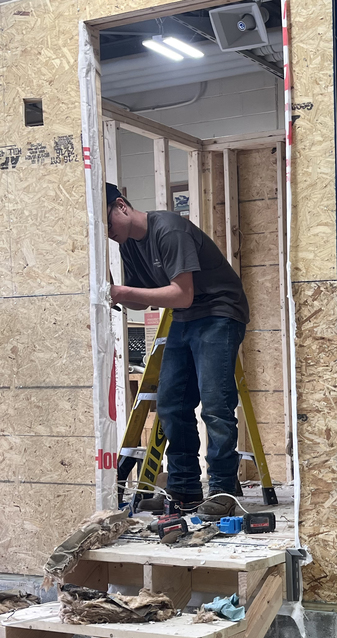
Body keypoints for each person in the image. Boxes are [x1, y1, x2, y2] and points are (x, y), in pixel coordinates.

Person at [106, 182, 250, 518]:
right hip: (186, 317)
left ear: (122, 207)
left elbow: (181, 293)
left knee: (215, 403)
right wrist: (106, 291)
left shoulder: (168, 230)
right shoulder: (128, 245)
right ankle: (184, 490)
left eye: (108, 223)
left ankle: (223, 489)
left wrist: (122, 290)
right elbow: (142, 299)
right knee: (171, 404)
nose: (109, 233)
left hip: (219, 310)